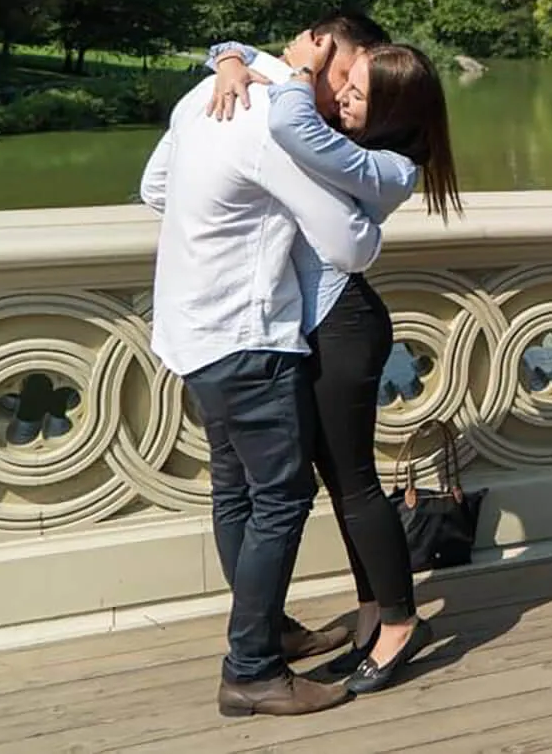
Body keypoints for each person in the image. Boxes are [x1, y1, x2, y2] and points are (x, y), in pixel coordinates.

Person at [138, 28, 384, 718]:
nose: (346, 99)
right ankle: (251, 666)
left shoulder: (205, 94)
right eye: (349, 78)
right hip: (247, 335)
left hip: (188, 328)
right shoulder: (278, 117)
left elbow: (154, 184)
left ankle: (265, 624)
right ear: (324, 52)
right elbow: (350, 244)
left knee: (236, 488)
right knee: (280, 495)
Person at [206, 34, 461, 695]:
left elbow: (289, 118)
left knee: (355, 483)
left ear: (394, 112)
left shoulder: (385, 167)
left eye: (357, 92)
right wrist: (230, 59)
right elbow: (235, 50)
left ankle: (402, 622)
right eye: (343, 83)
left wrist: (299, 69)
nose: (339, 95)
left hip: (344, 327)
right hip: (314, 326)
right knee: (337, 480)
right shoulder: (350, 139)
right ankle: (375, 610)